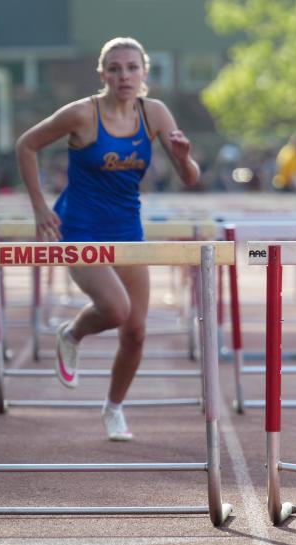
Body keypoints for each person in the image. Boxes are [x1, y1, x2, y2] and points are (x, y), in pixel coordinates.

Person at [15, 37, 200, 441]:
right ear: (103, 75)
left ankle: (114, 408)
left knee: (135, 331)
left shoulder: (154, 113)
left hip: (126, 230)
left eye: (132, 68)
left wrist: (184, 158)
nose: (124, 76)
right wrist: (40, 207)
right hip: (79, 229)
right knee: (115, 309)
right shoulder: (83, 114)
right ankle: (72, 333)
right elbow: (26, 145)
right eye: (115, 69)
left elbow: (190, 179)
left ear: (144, 73)